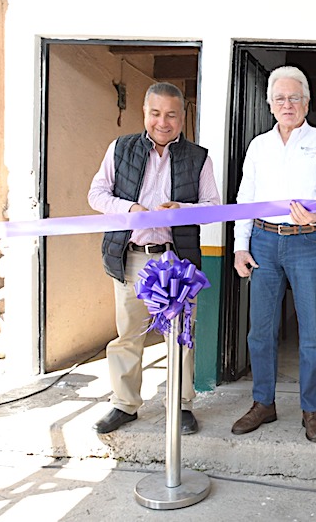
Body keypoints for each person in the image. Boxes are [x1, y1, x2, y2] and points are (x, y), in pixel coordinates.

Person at [88, 82, 221, 435]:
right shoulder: (120, 149)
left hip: (176, 261)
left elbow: (212, 209)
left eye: (172, 115)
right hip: (131, 258)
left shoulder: (199, 157)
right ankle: (124, 404)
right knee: (128, 335)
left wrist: (183, 210)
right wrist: (128, 208)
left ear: (182, 117)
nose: (164, 122)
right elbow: (96, 194)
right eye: (156, 113)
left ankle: (181, 405)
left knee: (179, 336)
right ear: (145, 113)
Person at [231, 66, 316, 443]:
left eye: (295, 97)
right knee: (260, 330)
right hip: (263, 239)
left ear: (307, 102)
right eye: (280, 98)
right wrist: (239, 246)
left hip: (308, 241)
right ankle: (264, 402)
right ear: (269, 105)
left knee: (312, 332)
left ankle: (311, 409)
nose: (288, 104)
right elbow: (245, 197)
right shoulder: (259, 145)